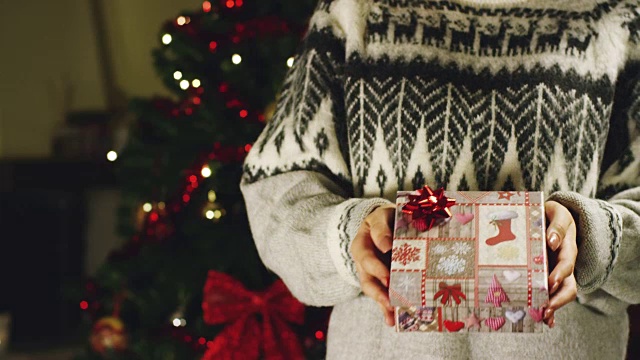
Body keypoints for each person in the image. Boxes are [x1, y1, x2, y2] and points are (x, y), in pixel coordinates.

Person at [240, 0, 640, 358]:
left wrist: (594, 237)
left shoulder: (620, 21)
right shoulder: (354, 11)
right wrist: (347, 235)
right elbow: (275, 191)